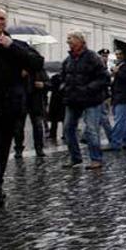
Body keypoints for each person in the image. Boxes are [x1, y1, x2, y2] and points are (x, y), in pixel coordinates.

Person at [0, 1, 44, 207]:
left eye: (1, 18)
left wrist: (12, 48)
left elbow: (37, 63)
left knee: (2, 147)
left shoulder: (17, 45)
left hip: (10, 105)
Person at [61, 32, 111, 170]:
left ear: (80, 40)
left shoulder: (93, 57)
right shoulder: (68, 59)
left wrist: (88, 88)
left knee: (91, 129)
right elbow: (63, 76)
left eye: (70, 38)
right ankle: (75, 157)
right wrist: (63, 87)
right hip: (73, 99)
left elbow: (104, 78)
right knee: (68, 129)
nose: (68, 41)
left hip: (91, 99)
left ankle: (96, 159)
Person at [13, 66, 49, 158]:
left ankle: (39, 148)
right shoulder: (16, 67)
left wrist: (43, 84)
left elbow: (48, 83)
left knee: (38, 126)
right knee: (18, 127)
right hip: (20, 101)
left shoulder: (38, 69)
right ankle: (18, 149)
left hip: (35, 100)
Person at [96, 48, 113, 140]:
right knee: (99, 116)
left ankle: (111, 137)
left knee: (102, 116)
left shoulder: (107, 66)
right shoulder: (99, 66)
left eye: (106, 56)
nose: (105, 58)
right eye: (103, 56)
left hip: (103, 95)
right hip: (99, 94)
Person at [47, 72, 65, 140]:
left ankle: (53, 134)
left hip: (55, 98)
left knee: (54, 118)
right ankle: (64, 134)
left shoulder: (54, 78)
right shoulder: (65, 79)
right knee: (63, 117)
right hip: (63, 98)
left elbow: (50, 86)